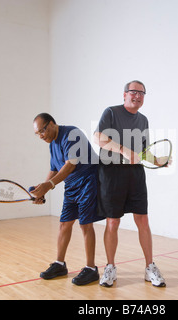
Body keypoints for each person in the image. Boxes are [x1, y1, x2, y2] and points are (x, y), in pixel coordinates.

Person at [94, 80, 166, 287]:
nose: (137, 96)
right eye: (133, 92)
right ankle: (110, 268)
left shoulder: (143, 120)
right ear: (124, 94)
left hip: (135, 173)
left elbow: (144, 151)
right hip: (111, 172)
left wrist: (157, 161)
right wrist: (124, 150)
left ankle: (150, 267)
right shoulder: (111, 112)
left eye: (142, 93)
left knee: (142, 219)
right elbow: (98, 137)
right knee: (113, 222)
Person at [31, 113, 104, 286]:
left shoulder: (72, 133)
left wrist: (48, 185)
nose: (41, 136)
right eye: (37, 134)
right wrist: (42, 190)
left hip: (88, 180)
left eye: (42, 131)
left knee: (85, 224)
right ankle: (59, 264)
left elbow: (71, 164)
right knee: (65, 223)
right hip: (71, 185)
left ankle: (91, 268)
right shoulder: (52, 144)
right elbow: (54, 169)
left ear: (51, 124)